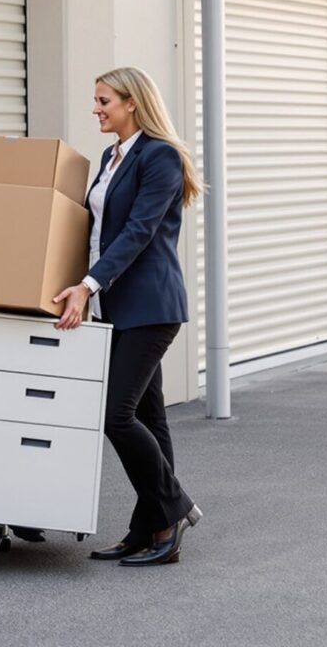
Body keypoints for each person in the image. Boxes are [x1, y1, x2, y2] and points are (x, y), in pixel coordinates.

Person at [52, 66, 206, 567]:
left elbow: (138, 232)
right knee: (147, 416)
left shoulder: (159, 156)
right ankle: (149, 528)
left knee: (114, 414)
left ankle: (172, 508)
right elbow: (96, 230)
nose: (95, 108)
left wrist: (89, 284)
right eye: (95, 100)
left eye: (103, 101)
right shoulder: (110, 156)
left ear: (131, 104)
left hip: (151, 306)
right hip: (118, 308)